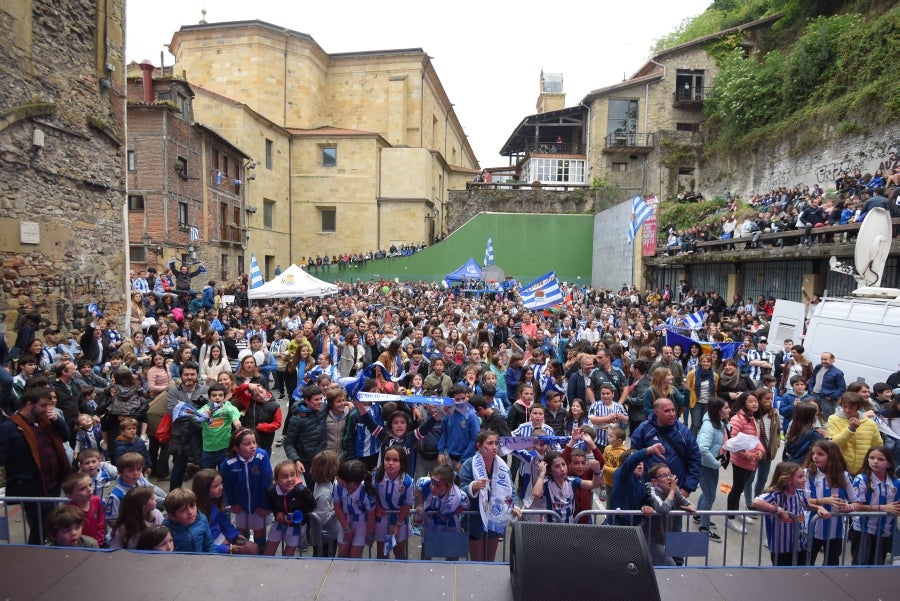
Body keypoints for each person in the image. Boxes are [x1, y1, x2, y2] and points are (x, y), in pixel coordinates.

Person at [0, 387, 70, 544]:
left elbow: (65, 436)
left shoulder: (46, 422)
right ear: (29, 404)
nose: (47, 409)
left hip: (53, 483)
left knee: (48, 523)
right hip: (32, 486)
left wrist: (57, 421)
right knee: (41, 526)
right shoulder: (9, 427)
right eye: (43, 405)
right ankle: (34, 554)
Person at [803, 440, 856, 565]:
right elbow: (803, 500)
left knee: (832, 564)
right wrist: (825, 501)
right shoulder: (807, 474)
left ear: (832, 456)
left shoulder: (844, 476)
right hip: (811, 528)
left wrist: (849, 507)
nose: (815, 457)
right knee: (806, 563)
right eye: (813, 454)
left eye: (820, 454)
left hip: (836, 531)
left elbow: (856, 501)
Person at [220, 429, 272, 550]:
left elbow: (267, 482)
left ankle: (259, 555)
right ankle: (245, 555)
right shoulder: (228, 463)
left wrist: (264, 505)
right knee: (242, 534)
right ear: (236, 448)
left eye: (254, 442)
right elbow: (227, 486)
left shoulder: (261, 456)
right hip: (240, 506)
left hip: (258, 505)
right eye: (247, 444)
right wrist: (233, 503)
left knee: (260, 532)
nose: (252, 446)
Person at [849, 446, 900, 565]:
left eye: (880, 459)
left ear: (889, 464)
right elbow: (856, 506)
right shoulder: (861, 479)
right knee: (860, 566)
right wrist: (883, 508)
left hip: (885, 532)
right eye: (871, 458)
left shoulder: (896, 483)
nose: (875, 461)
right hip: (863, 530)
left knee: (878, 566)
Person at [752, 461, 810, 566]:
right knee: (782, 574)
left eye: (804, 476)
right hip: (781, 547)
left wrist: (820, 507)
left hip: (800, 545)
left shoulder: (801, 493)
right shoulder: (775, 495)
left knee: (799, 573)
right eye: (800, 476)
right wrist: (778, 509)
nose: (804, 479)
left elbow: (807, 506)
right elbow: (756, 502)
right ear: (788, 480)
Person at [192, 468, 259, 555]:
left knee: (253, 547)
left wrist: (236, 535)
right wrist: (227, 549)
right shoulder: (194, 511)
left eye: (221, 483)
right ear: (203, 489)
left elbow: (224, 522)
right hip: (210, 545)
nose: (221, 487)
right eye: (215, 486)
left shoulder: (215, 501)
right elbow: (202, 544)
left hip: (220, 537)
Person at [726, 393, 766, 534]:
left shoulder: (754, 418)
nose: (755, 404)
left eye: (756, 401)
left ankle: (736, 512)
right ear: (743, 403)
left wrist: (760, 450)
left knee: (741, 487)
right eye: (751, 402)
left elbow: (757, 439)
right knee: (737, 488)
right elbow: (732, 439)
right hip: (740, 460)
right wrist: (745, 453)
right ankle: (730, 517)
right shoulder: (737, 418)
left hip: (752, 460)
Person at [165, 360, 208, 489]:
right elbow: (173, 411)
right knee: (178, 470)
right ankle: (173, 500)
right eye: (186, 374)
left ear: (197, 375)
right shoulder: (173, 390)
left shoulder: (206, 390)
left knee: (204, 472)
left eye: (192, 374)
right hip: (179, 437)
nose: (189, 377)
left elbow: (209, 411)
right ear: (181, 375)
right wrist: (197, 412)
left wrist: (182, 407)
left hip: (200, 436)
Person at [645, 462, 698, 565]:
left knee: (656, 567)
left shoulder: (674, 489)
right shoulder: (650, 488)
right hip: (649, 538)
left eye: (670, 474)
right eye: (664, 476)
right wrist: (672, 490)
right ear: (655, 481)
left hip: (664, 535)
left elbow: (689, 504)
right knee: (670, 565)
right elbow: (663, 509)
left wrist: (688, 507)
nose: (669, 478)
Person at [533, 448, 603, 524]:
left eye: (563, 464)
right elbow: (536, 494)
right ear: (550, 470)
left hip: (569, 526)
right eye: (557, 466)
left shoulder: (572, 481)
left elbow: (594, 484)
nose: (562, 469)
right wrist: (542, 473)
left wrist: (596, 471)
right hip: (551, 527)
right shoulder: (547, 483)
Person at [415, 464, 469, 560]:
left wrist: (454, 512)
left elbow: (465, 506)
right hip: (430, 522)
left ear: (449, 486)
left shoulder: (459, 496)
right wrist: (421, 504)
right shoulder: (424, 483)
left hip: (450, 524)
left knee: (452, 552)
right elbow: (418, 487)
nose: (433, 487)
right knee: (426, 549)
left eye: (438, 485)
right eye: (432, 482)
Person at [264, 460, 317, 557]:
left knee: (289, 551)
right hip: (280, 521)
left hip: (296, 525)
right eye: (284, 477)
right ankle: (266, 566)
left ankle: (285, 568)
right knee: (270, 547)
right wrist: (277, 513)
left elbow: (312, 505)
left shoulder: (302, 491)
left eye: (293, 475)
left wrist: (298, 514)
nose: (290, 479)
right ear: (276, 480)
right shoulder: (272, 490)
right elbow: (271, 504)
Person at [371, 446, 415, 559]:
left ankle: (401, 575)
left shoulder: (407, 482)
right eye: (387, 459)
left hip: (400, 519)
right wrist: (377, 507)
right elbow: (373, 493)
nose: (391, 463)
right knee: (381, 552)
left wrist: (398, 524)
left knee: (399, 552)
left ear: (402, 463)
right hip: (382, 518)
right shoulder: (377, 476)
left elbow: (407, 504)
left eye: (395, 460)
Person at [284, 385, 329, 488]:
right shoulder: (297, 419)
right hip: (307, 464)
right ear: (307, 401)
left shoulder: (322, 409)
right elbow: (288, 443)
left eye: (321, 398)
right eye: (316, 399)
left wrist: (348, 403)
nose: (320, 402)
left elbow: (336, 401)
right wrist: (296, 460)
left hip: (322, 460)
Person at [827, 392, 883, 475]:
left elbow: (877, 445)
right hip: (840, 467)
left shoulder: (870, 423)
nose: (847, 410)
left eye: (851, 407)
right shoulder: (833, 419)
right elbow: (834, 444)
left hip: (863, 469)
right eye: (844, 406)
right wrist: (851, 429)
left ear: (858, 407)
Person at [106, 452, 166, 526]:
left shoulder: (142, 481)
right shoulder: (116, 496)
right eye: (130, 470)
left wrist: (168, 501)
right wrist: (126, 529)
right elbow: (112, 520)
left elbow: (153, 498)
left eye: (139, 469)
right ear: (120, 472)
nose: (136, 473)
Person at [333, 459, 377, 558]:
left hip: (361, 521)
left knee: (355, 556)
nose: (336, 478)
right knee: (342, 553)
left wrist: (370, 534)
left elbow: (371, 514)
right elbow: (337, 506)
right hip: (345, 519)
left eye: (339, 477)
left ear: (351, 483)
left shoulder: (366, 490)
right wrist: (346, 528)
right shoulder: (337, 485)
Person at [196, 383, 242, 469]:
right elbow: (197, 415)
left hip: (225, 449)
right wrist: (203, 415)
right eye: (214, 395)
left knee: (226, 477)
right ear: (209, 398)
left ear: (224, 397)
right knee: (208, 478)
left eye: (220, 395)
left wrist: (235, 419)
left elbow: (234, 411)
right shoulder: (205, 408)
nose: (217, 397)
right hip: (208, 451)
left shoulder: (227, 407)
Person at [162, 487, 217, 553]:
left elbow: (209, 545)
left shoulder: (202, 519)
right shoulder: (166, 527)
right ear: (172, 516)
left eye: (192, 506)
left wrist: (212, 559)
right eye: (183, 510)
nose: (190, 512)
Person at [438, 385, 480, 470]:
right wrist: (440, 452)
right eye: (457, 399)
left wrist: (462, 461)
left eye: (463, 398)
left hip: (465, 459)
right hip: (449, 458)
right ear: (451, 400)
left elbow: (475, 440)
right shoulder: (448, 413)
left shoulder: (471, 416)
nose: (461, 402)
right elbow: (444, 434)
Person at [309, 450, 340, 557]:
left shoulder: (322, 484)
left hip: (326, 535)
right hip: (325, 537)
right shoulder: (323, 493)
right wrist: (336, 510)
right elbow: (322, 518)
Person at [62, 472, 106, 547]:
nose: (89, 490)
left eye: (90, 485)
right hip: (80, 546)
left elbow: (101, 523)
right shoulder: (69, 511)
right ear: (70, 496)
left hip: (97, 544)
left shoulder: (96, 500)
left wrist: (99, 541)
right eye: (82, 489)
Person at [686, 354, 719, 437]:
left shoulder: (715, 376)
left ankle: (701, 441)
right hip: (696, 402)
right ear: (700, 362)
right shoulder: (692, 373)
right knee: (696, 423)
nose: (706, 363)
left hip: (708, 403)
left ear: (711, 363)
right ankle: (691, 441)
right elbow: (687, 386)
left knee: (705, 423)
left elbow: (716, 390)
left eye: (708, 362)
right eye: (704, 361)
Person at [589, 383, 628, 449]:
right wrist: (607, 418)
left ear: (612, 394)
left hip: (615, 443)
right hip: (599, 441)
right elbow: (592, 420)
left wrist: (622, 417)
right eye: (603, 394)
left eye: (607, 393)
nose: (605, 396)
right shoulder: (595, 405)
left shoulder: (619, 406)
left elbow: (627, 418)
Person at [810, 352, 846, 419]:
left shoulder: (838, 373)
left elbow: (842, 388)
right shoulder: (818, 367)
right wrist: (811, 389)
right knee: (813, 415)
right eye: (822, 359)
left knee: (829, 417)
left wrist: (832, 396)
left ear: (832, 360)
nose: (823, 361)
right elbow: (813, 378)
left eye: (825, 359)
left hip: (826, 398)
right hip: (815, 395)